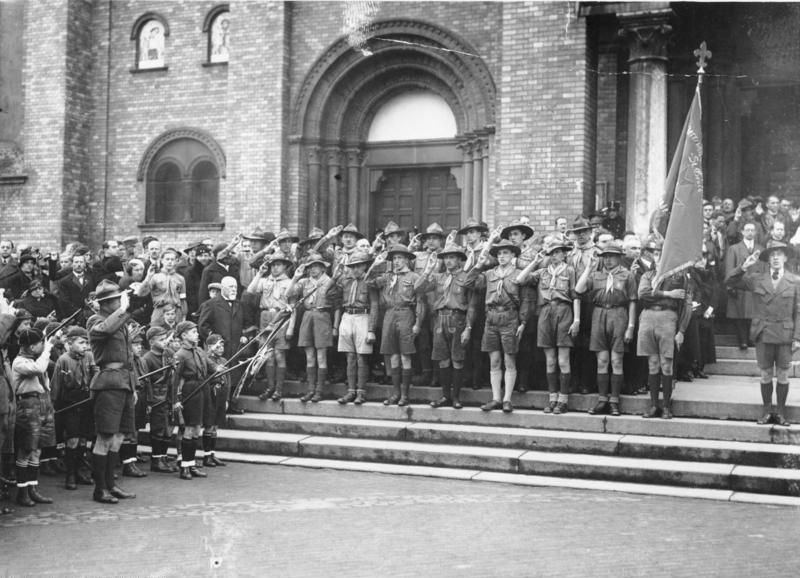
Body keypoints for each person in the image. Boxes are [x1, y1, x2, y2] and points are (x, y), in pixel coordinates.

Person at [726, 240, 800, 426]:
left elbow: (798, 311)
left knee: (783, 375)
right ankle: (767, 411)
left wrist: (798, 337)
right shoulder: (757, 278)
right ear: (767, 260)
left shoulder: (795, 281)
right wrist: (744, 267)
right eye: (772, 255)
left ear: (785, 257)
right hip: (763, 333)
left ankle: (781, 413)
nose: (775, 258)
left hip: (785, 334)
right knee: (766, 374)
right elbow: (730, 281)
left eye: (779, 254)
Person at [85, 280, 138, 503]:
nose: (120, 302)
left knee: (118, 437)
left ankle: (111, 484)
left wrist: (133, 387)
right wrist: (124, 310)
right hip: (108, 385)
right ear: (106, 303)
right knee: (105, 437)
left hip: (124, 383)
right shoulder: (95, 321)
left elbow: (129, 358)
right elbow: (106, 329)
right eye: (117, 299)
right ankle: (100, 489)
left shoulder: (120, 321)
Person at [518, 238, 580, 414]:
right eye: (551, 253)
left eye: (558, 252)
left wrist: (577, 320)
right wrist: (535, 262)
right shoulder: (543, 272)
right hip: (545, 312)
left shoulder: (569, 270)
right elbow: (520, 279)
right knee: (550, 360)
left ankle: (563, 399)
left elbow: (575, 295)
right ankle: (552, 397)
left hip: (564, 311)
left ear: (564, 254)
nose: (554, 256)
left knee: (563, 359)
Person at [575, 241, 637, 416]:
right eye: (605, 257)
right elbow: (579, 289)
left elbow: (633, 301)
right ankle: (602, 399)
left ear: (619, 258)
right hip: (599, 314)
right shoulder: (596, 275)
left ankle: (614, 401)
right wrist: (589, 267)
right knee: (602, 360)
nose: (608, 260)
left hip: (619, 315)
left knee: (617, 360)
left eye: (612, 257)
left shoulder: (627, 275)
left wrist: (630, 326)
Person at [367, 244, 428, 406]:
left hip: (406, 314)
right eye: (394, 258)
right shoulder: (387, 277)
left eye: (400, 257)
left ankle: (405, 395)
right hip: (389, 315)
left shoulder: (414, 277)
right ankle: (395, 393)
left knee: (405, 355)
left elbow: (421, 302)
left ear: (407, 259)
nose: (397, 261)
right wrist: (374, 265)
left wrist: (418, 323)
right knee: (392, 356)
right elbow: (368, 283)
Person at [418, 244, 478, 409]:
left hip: (457, 318)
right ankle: (445, 396)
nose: (449, 261)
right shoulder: (438, 277)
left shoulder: (466, 277)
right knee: (442, 359)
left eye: (452, 257)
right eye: (446, 257)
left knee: (457, 359)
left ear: (459, 260)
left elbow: (472, 305)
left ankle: (456, 397)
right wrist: (428, 270)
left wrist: (468, 328)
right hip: (439, 320)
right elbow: (418, 288)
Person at [636, 242, 692, 419]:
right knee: (652, 363)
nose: (659, 257)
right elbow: (642, 294)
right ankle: (654, 405)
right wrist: (668, 294)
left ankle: (666, 406)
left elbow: (687, 305)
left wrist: (681, 330)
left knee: (666, 364)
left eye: (662, 254)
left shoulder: (680, 277)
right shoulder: (647, 275)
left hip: (668, 318)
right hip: (648, 317)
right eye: (656, 254)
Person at [471, 235, 526, 413]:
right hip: (491, 317)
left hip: (510, 317)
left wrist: (523, 321)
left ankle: (507, 399)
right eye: (499, 253)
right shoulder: (489, 274)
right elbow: (468, 282)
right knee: (494, 360)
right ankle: (495, 398)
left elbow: (526, 299)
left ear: (512, 255)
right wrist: (478, 264)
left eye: (505, 253)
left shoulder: (519, 274)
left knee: (509, 359)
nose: (502, 256)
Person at [11, 327, 57, 507]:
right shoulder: (19, 362)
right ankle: (22, 492)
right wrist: (48, 349)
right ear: (31, 347)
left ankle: (32, 489)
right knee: (26, 449)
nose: (43, 346)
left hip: (41, 403)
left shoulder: (34, 358)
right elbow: (39, 368)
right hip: (27, 405)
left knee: (37, 449)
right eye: (40, 344)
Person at [198, 276, 254, 413]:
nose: (234, 289)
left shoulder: (240, 305)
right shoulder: (210, 304)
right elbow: (202, 326)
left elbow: (248, 325)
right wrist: (214, 341)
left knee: (234, 377)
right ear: (222, 288)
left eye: (235, 287)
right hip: (218, 350)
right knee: (218, 377)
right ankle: (217, 407)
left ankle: (232, 404)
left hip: (235, 348)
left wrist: (245, 336)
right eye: (230, 287)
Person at [50, 326, 96, 490]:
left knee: (84, 438)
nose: (85, 346)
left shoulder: (89, 357)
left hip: (86, 401)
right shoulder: (63, 360)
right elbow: (56, 386)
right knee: (73, 439)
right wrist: (54, 405)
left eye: (86, 343)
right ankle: (70, 474)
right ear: (70, 343)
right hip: (70, 404)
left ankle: (80, 471)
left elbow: (94, 375)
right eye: (81, 343)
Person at [287, 253, 338, 403]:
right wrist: (295, 277)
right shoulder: (304, 282)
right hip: (307, 316)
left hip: (322, 316)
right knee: (309, 355)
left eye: (316, 266)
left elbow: (336, 305)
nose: (313, 269)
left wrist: (335, 326)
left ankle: (319, 390)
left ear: (323, 268)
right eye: (310, 267)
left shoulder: (329, 281)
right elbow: (288, 293)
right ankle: (310, 389)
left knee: (321, 356)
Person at [333, 251, 379, 405]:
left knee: (361, 356)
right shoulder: (345, 281)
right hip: (347, 317)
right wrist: (335, 276)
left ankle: (361, 392)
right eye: (352, 267)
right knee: (350, 356)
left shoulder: (370, 281)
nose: (355, 270)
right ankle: (350, 391)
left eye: (359, 266)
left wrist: (371, 329)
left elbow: (374, 304)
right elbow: (329, 294)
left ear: (365, 266)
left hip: (362, 317)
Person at [246, 256, 293, 401]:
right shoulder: (265, 280)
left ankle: (279, 389)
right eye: (272, 265)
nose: (275, 268)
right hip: (265, 316)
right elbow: (250, 290)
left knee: (279, 354)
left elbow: (293, 305)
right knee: (268, 355)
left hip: (281, 317)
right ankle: (270, 387)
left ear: (285, 266)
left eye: (278, 265)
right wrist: (260, 273)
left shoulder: (290, 282)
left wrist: (291, 327)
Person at [172, 320, 209, 480]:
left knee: (196, 429)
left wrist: (219, 368)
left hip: (201, 389)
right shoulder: (180, 354)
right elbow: (174, 379)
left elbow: (209, 365)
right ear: (184, 335)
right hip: (189, 391)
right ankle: (185, 467)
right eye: (193, 332)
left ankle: (191, 463)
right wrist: (175, 400)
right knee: (188, 428)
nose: (197, 334)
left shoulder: (199, 351)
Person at [140, 326, 177, 473]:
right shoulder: (147, 358)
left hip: (167, 395)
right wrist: (149, 401)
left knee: (167, 429)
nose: (165, 342)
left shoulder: (167, 354)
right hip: (156, 397)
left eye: (165, 339)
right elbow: (147, 381)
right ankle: (156, 459)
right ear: (151, 341)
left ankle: (163, 457)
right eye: (161, 340)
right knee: (158, 429)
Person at [725, 222, 762, 350]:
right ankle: (743, 340)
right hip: (739, 285)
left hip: (754, 287)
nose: (750, 232)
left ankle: (751, 339)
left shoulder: (760, 249)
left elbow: (763, 268)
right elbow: (729, 269)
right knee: (739, 314)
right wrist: (730, 287)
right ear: (742, 232)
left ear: (756, 232)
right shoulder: (734, 248)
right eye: (747, 230)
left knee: (752, 315)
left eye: (752, 230)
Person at [202, 334, 228, 467]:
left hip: (221, 395)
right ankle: (206, 456)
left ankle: (212, 453)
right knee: (209, 425)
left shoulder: (223, 360)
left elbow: (227, 379)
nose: (221, 348)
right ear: (210, 347)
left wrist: (227, 398)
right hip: (211, 394)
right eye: (217, 345)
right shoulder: (206, 359)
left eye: (222, 345)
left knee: (216, 425)